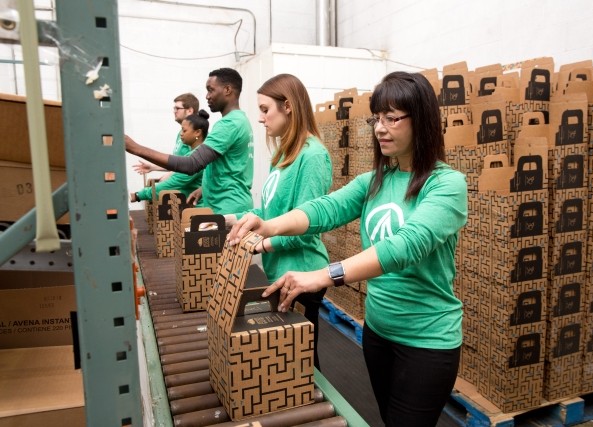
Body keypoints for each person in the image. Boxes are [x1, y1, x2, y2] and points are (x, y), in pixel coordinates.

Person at [228, 71, 468, 427]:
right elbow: (325, 208)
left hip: (427, 341)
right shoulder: (376, 180)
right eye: (377, 118)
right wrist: (269, 225)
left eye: (392, 118)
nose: (380, 128)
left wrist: (324, 275)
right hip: (378, 333)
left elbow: (405, 246)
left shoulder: (446, 185)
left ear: (423, 120)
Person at [225, 73, 332, 370]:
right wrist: (232, 221)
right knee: (287, 354)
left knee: (301, 360)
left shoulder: (312, 157)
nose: (260, 119)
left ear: (288, 107)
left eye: (264, 109)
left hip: (302, 274)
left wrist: (261, 246)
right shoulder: (283, 152)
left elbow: (308, 226)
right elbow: (268, 211)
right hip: (279, 270)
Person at [126, 68, 253, 214]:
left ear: (227, 90)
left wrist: (136, 148)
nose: (207, 96)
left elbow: (191, 164)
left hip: (228, 207)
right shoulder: (240, 120)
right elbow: (230, 169)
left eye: (211, 90)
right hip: (228, 204)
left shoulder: (229, 124)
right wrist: (204, 188)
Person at [130, 109, 209, 204]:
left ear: (197, 132)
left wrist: (138, 195)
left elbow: (172, 184)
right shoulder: (199, 153)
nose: (181, 133)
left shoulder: (197, 156)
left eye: (184, 130)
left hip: (199, 208)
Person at [131, 92, 199, 178]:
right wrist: (153, 167)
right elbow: (176, 164)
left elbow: (193, 165)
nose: (174, 111)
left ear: (189, 111)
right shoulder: (181, 133)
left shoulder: (195, 135)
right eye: (174, 108)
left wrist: (170, 175)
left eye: (177, 108)